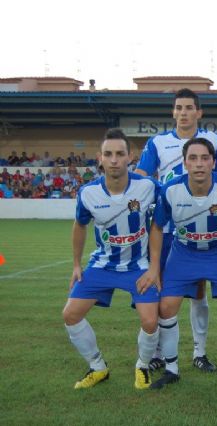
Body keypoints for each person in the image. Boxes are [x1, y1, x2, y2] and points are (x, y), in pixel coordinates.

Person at [140, 138, 217, 389]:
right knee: (167, 307)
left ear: (213, 162)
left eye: (204, 158)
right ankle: (171, 369)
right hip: (185, 252)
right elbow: (156, 227)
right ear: (184, 162)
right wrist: (154, 267)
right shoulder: (170, 189)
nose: (199, 164)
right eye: (193, 158)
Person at [62, 128, 160, 390]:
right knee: (70, 314)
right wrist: (75, 264)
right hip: (102, 264)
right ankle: (97, 367)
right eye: (108, 154)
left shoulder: (148, 187)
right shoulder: (88, 193)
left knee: (150, 321)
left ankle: (142, 366)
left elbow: (168, 211)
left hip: (138, 266)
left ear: (131, 157)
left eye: (120, 154)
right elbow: (79, 225)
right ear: (100, 158)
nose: (114, 160)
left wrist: (155, 266)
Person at [135, 88, 217, 373]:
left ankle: (200, 352)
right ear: (173, 112)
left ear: (199, 112)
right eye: (179, 108)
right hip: (167, 227)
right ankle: (160, 351)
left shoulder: (213, 140)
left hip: (201, 226)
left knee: (199, 291)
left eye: (189, 108)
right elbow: (142, 178)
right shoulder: (157, 142)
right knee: (160, 287)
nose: (183, 113)